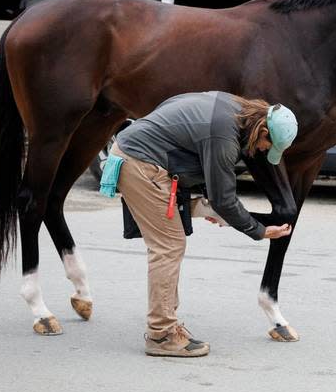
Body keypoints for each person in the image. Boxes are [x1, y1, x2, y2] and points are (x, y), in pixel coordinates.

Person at [112, 91, 298, 357]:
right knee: (169, 246)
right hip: (141, 163)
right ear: (263, 129)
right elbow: (224, 199)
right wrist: (259, 230)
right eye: (268, 145)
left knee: (171, 240)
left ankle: (167, 324)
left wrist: (214, 208)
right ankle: (161, 335)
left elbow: (176, 121)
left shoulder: (232, 107)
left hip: (142, 157)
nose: (262, 151)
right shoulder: (224, 136)